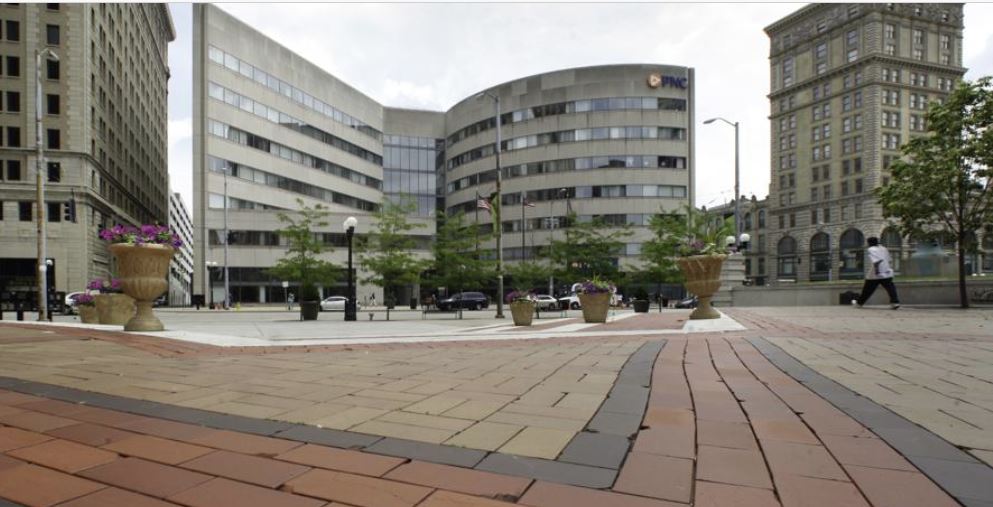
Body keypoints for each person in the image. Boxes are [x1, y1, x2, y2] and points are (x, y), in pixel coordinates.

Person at [853, 236, 900, 309]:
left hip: (876, 273)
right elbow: (889, 259)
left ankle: (859, 303)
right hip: (886, 271)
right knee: (891, 288)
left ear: (869, 243)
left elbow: (876, 261)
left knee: (867, 289)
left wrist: (877, 271)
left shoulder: (871, 249)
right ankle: (895, 302)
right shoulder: (883, 248)